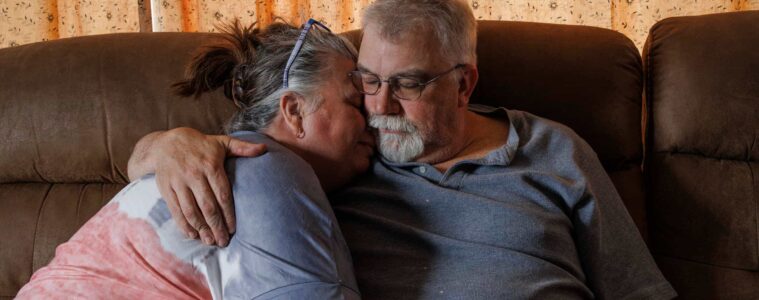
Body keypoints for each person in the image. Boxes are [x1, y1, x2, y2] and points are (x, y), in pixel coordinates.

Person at [128, 0, 678, 299]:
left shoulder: (554, 151)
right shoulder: (346, 155)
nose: (381, 106)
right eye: (368, 81)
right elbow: (250, 148)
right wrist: (164, 145)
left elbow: (637, 289)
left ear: (464, 85)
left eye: (409, 84)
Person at [17, 20, 369, 299]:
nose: (373, 118)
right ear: (294, 110)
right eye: (355, 103)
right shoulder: (270, 166)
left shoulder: (208, 158)